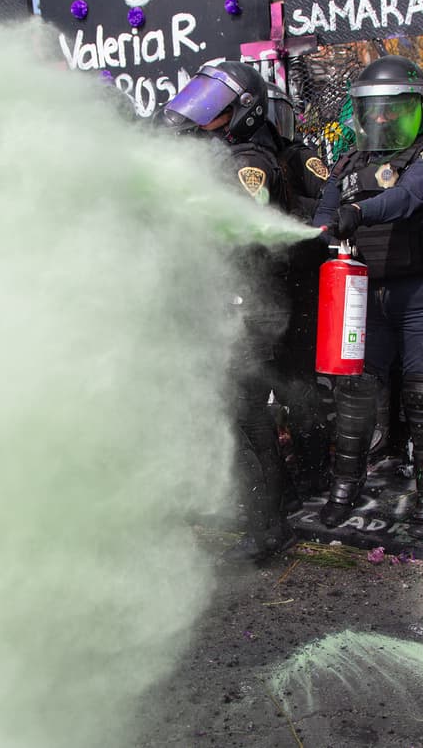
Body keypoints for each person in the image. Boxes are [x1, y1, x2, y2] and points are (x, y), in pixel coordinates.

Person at [312, 55, 423, 533]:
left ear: (414, 109)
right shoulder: (349, 162)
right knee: (353, 392)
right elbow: (325, 210)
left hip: (421, 294)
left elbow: (407, 198)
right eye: (372, 109)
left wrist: (359, 212)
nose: (380, 118)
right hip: (365, 297)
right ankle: (343, 487)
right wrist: (321, 228)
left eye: (391, 108)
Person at [163, 60, 297, 561]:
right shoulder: (214, 155)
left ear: (243, 112)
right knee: (228, 412)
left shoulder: (249, 161)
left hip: (251, 307)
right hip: (228, 301)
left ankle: (269, 527)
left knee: (245, 414)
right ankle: (255, 513)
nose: (202, 119)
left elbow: (240, 223)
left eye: (214, 111)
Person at [264, 83, 335, 500]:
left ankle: (315, 470)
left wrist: (292, 215)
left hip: (301, 284)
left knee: (300, 383)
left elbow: (332, 198)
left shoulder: (300, 157)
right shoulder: (244, 161)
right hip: (264, 288)